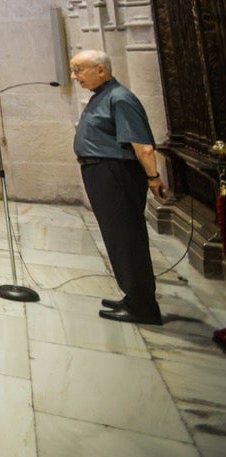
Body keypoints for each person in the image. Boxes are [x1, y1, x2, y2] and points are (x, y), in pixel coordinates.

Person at [70, 49, 165, 325]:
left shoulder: (121, 98)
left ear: (101, 69)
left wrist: (153, 178)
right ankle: (133, 296)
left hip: (115, 173)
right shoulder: (103, 95)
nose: (75, 76)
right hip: (102, 173)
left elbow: (143, 147)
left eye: (79, 70)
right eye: (74, 70)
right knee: (118, 238)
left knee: (127, 237)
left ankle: (143, 305)